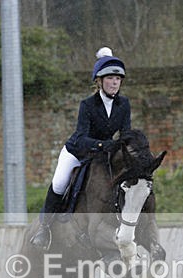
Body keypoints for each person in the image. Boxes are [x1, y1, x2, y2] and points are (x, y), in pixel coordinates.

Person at [29, 46, 132, 250]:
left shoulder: (124, 104)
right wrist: (105, 144)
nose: (114, 82)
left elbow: (126, 133)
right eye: (110, 78)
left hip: (104, 156)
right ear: (99, 81)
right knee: (59, 183)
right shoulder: (88, 105)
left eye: (118, 79)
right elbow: (83, 137)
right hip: (78, 152)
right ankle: (45, 228)